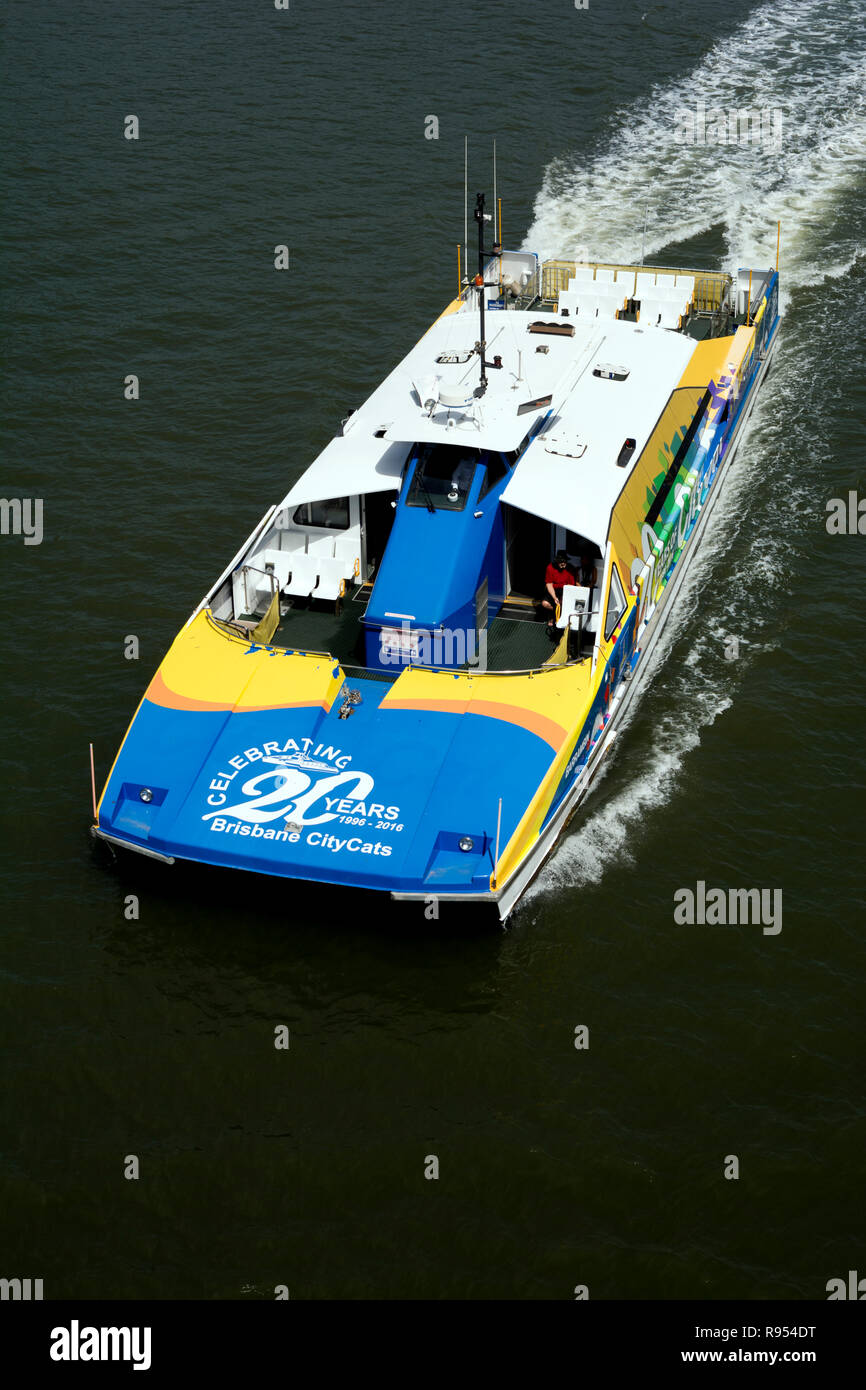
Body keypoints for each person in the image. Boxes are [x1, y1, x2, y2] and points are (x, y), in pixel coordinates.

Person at [540, 550, 576, 631]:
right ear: (557, 562)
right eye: (560, 562)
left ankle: (557, 617)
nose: (563, 564)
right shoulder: (550, 567)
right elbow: (549, 584)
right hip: (554, 589)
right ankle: (555, 614)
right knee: (544, 603)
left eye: (564, 561)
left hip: (565, 590)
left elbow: (571, 585)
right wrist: (554, 597)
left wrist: (562, 597)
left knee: (562, 603)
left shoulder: (570, 569)